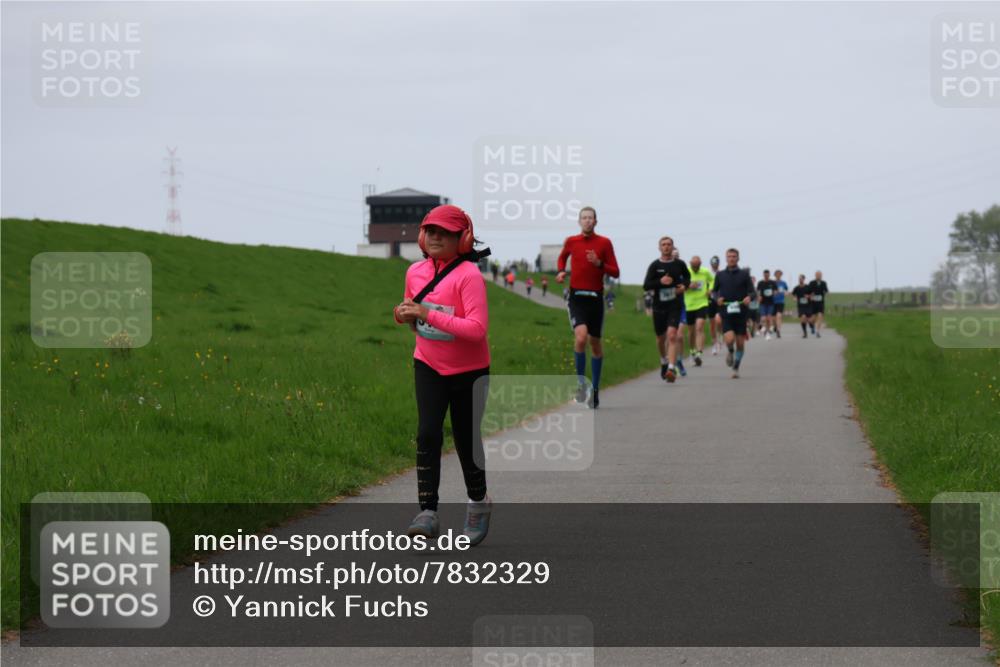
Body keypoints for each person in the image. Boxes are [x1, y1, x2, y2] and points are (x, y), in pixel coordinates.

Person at [393, 204, 492, 545]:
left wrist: (427, 313)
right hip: (429, 364)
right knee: (427, 433)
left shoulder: (469, 276)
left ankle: (478, 502)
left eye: (444, 233)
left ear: (461, 239)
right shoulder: (415, 272)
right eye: (430, 231)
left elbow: (477, 329)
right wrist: (404, 314)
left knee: (466, 439)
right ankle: (428, 512)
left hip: (470, 371)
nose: (435, 237)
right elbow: (413, 316)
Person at [556, 206, 620, 409]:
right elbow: (562, 257)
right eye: (584, 218)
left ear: (596, 221)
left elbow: (615, 271)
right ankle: (581, 384)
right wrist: (560, 271)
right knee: (581, 337)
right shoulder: (571, 241)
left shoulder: (604, 243)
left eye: (591, 218)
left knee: (595, 344)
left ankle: (596, 389)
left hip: (596, 299)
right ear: (579, 221)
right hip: (577, 298)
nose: (587, 221)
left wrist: (599, 263)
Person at [642, 236, 691, 383]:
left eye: (669, 244)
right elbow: (646, 285)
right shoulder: (654, 266)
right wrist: (660, 281)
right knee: (660, 339)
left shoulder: (679, 264)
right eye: (663, 245)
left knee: (672, 335)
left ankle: (671, 368)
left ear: (673, 246)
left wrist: (684, 286)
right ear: (659, 248)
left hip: (674, 305)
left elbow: (687, 277)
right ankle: (663, 360)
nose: (666, 247)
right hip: (659, 306)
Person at [713, 248, 755, 379]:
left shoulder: (744, 274)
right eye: (729, 256)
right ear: (726, 258)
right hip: (726, 311)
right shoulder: (720, 275)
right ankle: (730, 351)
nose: (731, 258)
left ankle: (736, 367)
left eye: (734, 256)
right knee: (730, 339)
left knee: (741, 343)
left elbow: (752, 292)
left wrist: (750, 298)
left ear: (738, 258)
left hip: (741, 312)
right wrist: (717, 299)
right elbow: (714, 292)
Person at [684, 254, 714, 366]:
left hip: (702, 303)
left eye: (697, 266)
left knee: (700, 326)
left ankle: (698, 353)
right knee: (691, 331)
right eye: (693, 266)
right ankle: (692, 351)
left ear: (700, 264)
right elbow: (680, 285)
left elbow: (712, 280)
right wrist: (688, 286)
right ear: (690, 264)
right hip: (689, 305)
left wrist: (710, 289)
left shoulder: (705, 272)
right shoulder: (685, 271)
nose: (695, 268)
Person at [707, 255, 723, 355]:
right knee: (712, 323)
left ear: (718, 264)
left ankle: (720, 335)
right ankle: (714, 343)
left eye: (716, 264)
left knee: (718, 321)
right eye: (713, 264)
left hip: (720, 300)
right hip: (710, 300)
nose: (714, 265)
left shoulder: (722, 274)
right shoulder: (707, 274)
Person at [757, 269, 778, 340]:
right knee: (763, 318)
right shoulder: (760, 283)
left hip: (770, 302)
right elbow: (758, 292)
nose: (766, 276)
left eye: (767, 274)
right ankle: (763, 328)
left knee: (769, 318)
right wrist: (759, 297)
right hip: (763, 303)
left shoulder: (772, 282)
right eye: (765, 275)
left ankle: (768, 332)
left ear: (769, 275)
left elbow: (776, 290)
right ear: (763, 275)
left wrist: (774, 293)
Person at [808, 271, 829, 337]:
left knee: (820, 316)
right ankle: (811, 325)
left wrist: (826, 294)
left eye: (820, 275)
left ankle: (818, 331)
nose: (819, 276)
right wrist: (810, 296)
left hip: (820, 302)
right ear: (815, 275)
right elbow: (808, 291)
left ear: (821, 276)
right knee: (812, 318)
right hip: (813, 303)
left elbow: (826, 291)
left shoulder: (824, 283)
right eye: (817, 275)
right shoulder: (812, 283)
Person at [773, 269, 788, 337]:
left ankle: (778, 330)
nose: (778, 275)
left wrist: (785, 293)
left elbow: (786, 291)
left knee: (779, 316)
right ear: (775, 275)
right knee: (773, 318)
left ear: (781, 275)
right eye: (777, 274)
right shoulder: (772, 283)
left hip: (780, 302)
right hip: (772, 302)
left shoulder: (783, 283)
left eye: (779, 274)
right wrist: (774, 293)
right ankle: (775, 327)